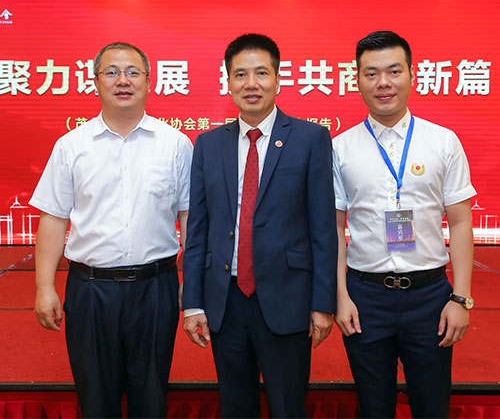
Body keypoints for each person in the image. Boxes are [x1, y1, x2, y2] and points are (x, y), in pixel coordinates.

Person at [31, 42, 193, 418]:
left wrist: (192, 282)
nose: (123, 80)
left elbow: (189, 217)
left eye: (133, 72)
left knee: (150, 398)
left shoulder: (175, 144)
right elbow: (53, 218)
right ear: (96, 82)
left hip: (156, 289)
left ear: (149, 82)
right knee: (96, 400)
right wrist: (43, 287)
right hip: (90, 290)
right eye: (112, 72)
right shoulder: (71, 146)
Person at [182, 33, 337, 418]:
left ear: (278, 79)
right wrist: (192, 303)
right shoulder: (208, 144)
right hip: (226, 298)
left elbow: (322, 227)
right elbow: (198, 228)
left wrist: (323, 304)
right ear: (228, 82)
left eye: (261, 73)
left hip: (288, 297)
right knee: (236, 406)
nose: (251, 84)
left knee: (288, 406)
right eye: (241, 75)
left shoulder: (310, 138)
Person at [332, 31, 476, 418]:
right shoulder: (340, 147)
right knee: (373, 406)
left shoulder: (443, 141)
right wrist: (340, 296)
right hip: (365, 298)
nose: (383, 82)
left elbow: (461, 222)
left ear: (412, 75)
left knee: (432, 406)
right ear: (356, 80)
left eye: (394, 71)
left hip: (430, 298)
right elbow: (334, 229)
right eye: (371, 73)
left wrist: (460, 299)